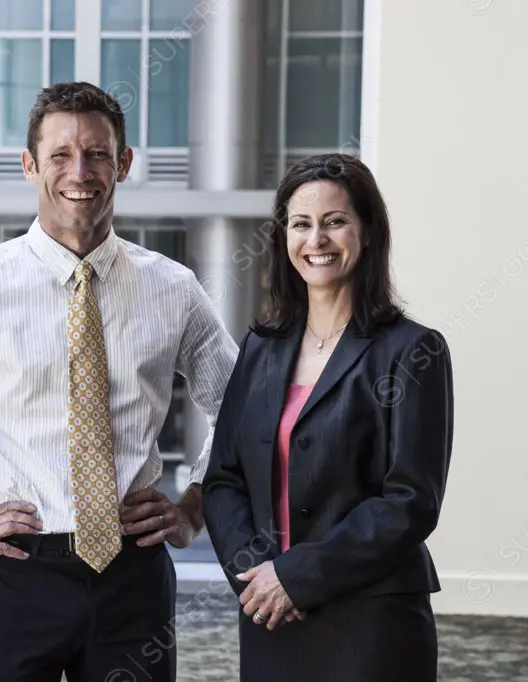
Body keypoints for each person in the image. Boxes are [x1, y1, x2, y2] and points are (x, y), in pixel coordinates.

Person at [0, 81, 239, 682]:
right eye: (60, 155)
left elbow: (242, 408)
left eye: (96, 153)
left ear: (124, 164)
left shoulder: (172, 288)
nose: (79, 171)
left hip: (132, 575)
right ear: (30, 166)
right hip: (10, 572)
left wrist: (196, 505)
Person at [202, 153, 454, 681]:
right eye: (301, 224)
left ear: (367, 233)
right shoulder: (260, 350)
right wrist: (257, 580)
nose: (316, 239)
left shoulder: (412, 351)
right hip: (270, 617)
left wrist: (296, 577)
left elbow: (410, 501)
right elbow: (225, 478)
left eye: (335, 222)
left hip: (371, 624)